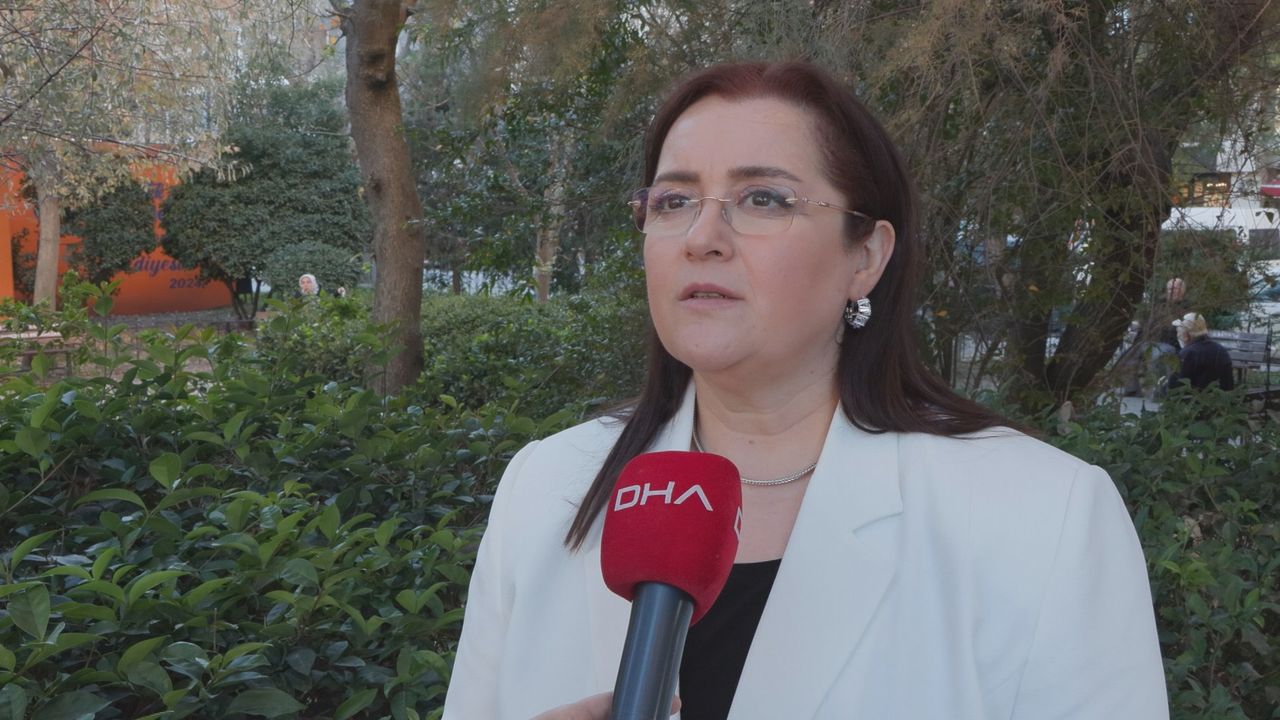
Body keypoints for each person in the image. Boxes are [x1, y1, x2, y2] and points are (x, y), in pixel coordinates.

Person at [443, 61, 1167, 720]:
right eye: (673, 200)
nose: (702, 236)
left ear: (866, 257)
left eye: (762, 199)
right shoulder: (547, 488)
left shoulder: (1042, 515)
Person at [1164, 312, 1235, 392]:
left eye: (1179, 333)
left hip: (1193, 399)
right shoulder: (1221, 351)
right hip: (1220, 398)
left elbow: (1173, 389)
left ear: (1186, 335)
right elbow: (1229, 387)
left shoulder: (1187, 354)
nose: (1178, 336)